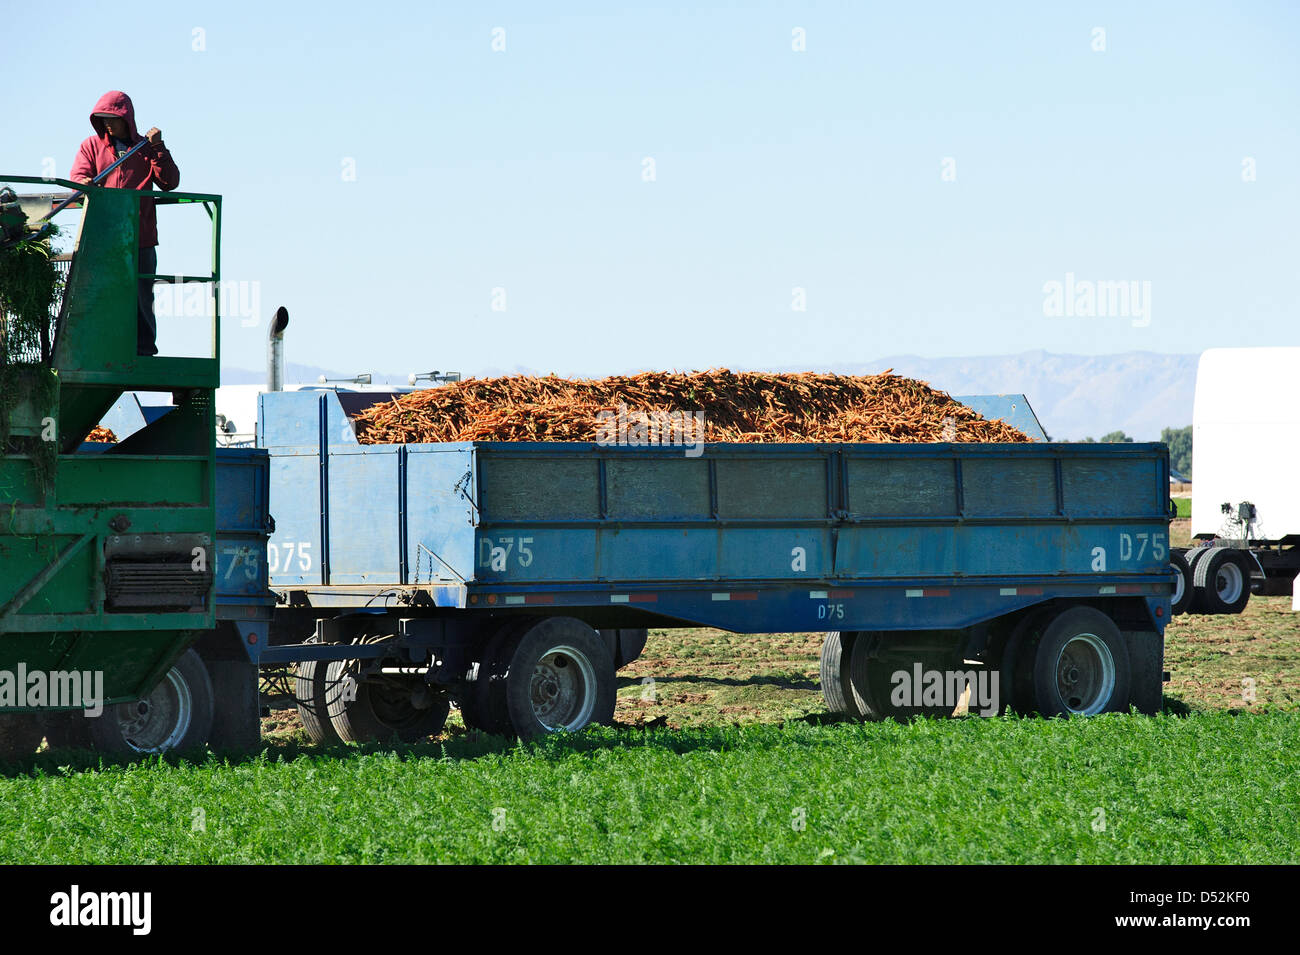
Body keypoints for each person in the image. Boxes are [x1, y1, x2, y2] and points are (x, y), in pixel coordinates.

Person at [69, 91, 180, 356]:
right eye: (103, 119)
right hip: (102, 236)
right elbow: (79, 175)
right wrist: (84, 183)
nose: (108, 124)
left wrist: (158, 148)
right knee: (101, 291)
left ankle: (143, 350)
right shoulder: (91, 146)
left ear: (126, 119)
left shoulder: (146, 148)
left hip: (139, 236)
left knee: (141, 294)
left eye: (113, 119)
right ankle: (100, 348)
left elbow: (170, 182)